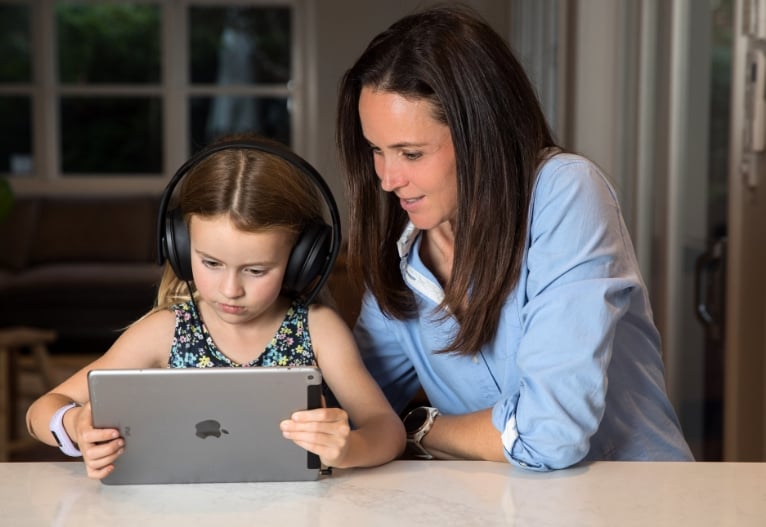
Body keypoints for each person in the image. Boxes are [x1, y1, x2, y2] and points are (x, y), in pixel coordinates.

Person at [335, 4, 694, 471]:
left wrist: (417, 427)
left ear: (480, 135)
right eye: (377, 151)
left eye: (410, 152)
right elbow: (354, 409)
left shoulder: (565, 192)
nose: (387, 178)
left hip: (636, 508)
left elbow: (549, 435)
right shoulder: (405, 253)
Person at [26, 134, 406, 479]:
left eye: (256, 270)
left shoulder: (319, 329)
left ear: (301, 260)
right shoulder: (164, 332)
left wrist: (351, 447)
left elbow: (386, 428)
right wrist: (75, 424)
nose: (230, 289)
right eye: (210, 263)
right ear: (178, 246)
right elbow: (40, 410)